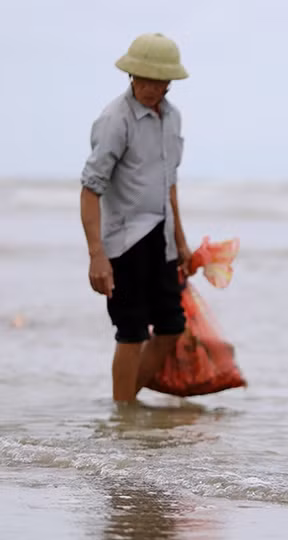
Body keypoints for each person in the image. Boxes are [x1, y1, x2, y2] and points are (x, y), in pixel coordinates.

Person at [79, 33, 196, 403]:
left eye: (158, 80)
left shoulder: (173, 118)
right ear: (130, 76)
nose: (149, 87)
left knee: (171, 327)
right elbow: (90, 188)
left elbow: (170, 183)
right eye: (141, 78)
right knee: (131, 331)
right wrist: (96, 255)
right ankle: (124, 415)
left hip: (161, 240)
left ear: (170, 82)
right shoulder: (116, 119)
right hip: (125, 241)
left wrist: (180, 241)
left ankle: (125, 405)